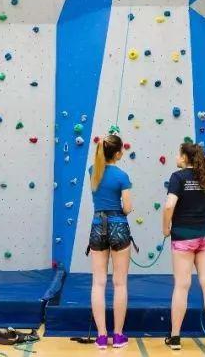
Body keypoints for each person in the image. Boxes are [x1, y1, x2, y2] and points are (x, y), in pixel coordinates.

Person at [162, 142, 205, 351]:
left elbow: (169, 205)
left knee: (182, 285)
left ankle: (175, 337)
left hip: (183, 237)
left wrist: (165, 228)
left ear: (185, 157)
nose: (176, 157)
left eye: (178, 154)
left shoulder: (178, 177)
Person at [87, 133, 133, 349]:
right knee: (120, 282)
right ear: (117, 154)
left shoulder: (92, 171)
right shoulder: (122, 176)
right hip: (118, 226)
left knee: (98, 282)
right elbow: (128, 208)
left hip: (98, 226)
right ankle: (118, 335)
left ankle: (101, 336)